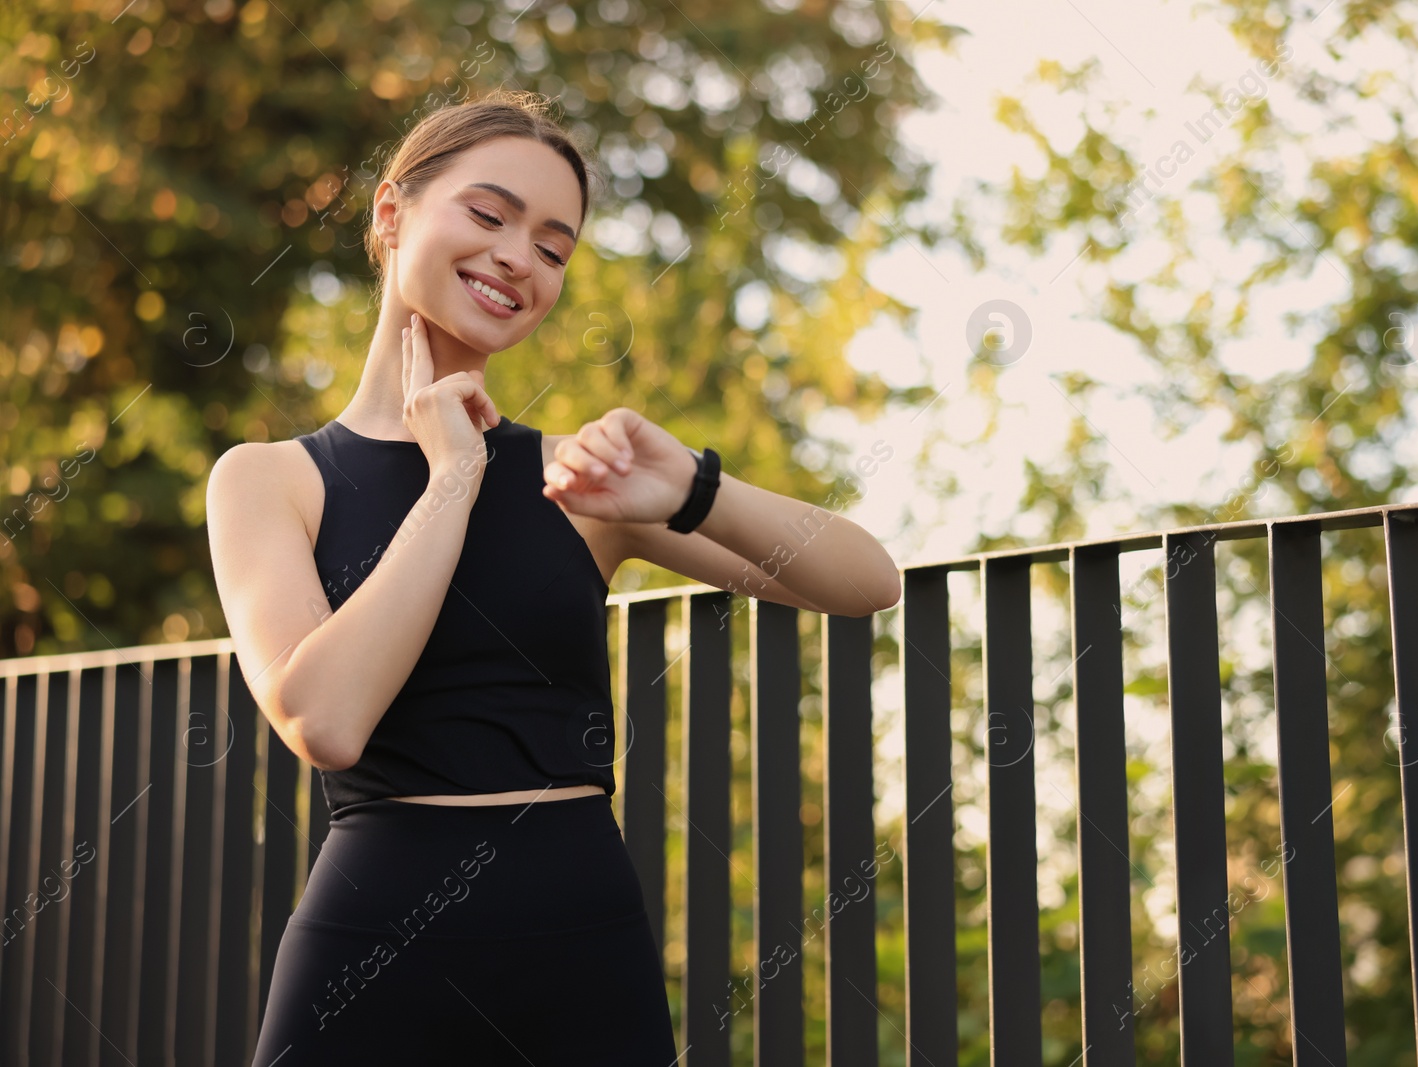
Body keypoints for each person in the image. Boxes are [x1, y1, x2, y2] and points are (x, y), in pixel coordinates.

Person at [205, 88, 902, 1065]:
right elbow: (324, 719)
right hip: (374, 942)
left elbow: (866, 577)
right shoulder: (270, 478)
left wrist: (695, 486)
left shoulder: (578, 483)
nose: (515, 257)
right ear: (391, 213)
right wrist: (452, 478)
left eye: (552, 246)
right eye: (488, 215)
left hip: (583, 937)